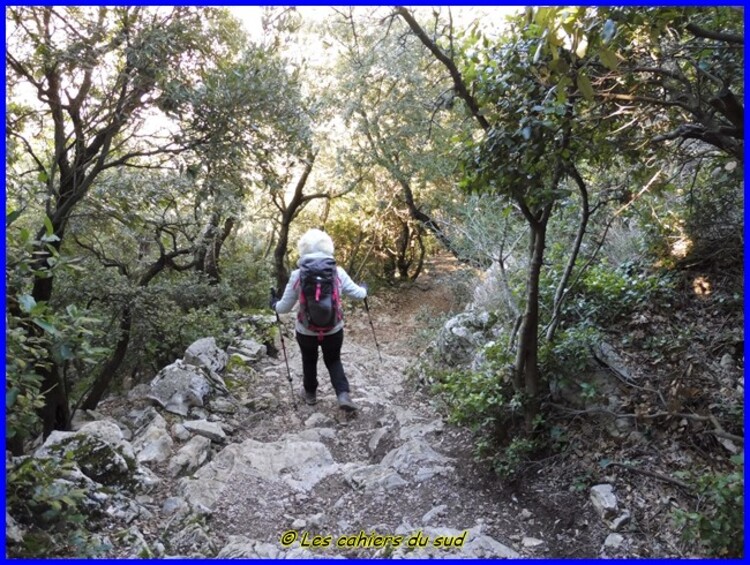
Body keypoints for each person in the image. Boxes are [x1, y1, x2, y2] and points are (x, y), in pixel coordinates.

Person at [270, 229, 367, 411]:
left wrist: (273, 303)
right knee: (333, 360)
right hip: (334, 329)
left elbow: (283, 308)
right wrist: (364, 288)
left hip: (306, 331)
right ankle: (343, 394)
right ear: (328, 247)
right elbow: (359, 295)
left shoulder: (297, 275)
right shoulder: (337, 272)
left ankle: (310, 395)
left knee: (309, 359)